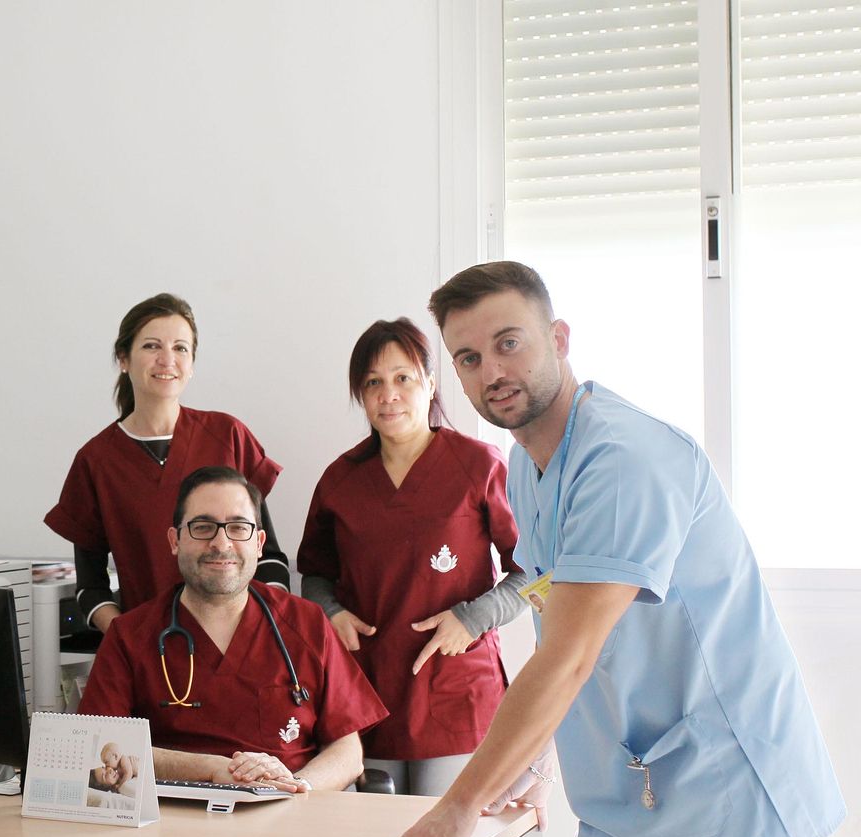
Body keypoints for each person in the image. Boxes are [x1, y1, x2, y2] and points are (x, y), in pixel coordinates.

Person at [370, 262, 845, 837]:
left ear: (559, 339)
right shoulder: (527, 466)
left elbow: (569, 658)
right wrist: (536, 760)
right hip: (624, 812)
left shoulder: (623, 459)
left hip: (733, 806)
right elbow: (560, 623)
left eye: (509, 343)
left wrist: (459, 806)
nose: (492, 372)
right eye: (469, 358)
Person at [297, 317, 528, 797]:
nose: (389, 395)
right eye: (373, 383)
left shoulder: (480, 465)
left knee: (444, 834)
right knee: (375, 836)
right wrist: (331, 613)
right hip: (367, 689)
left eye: (403, 378)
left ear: (430, 383)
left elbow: (537, 573)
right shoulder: (340, 481)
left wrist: (474, 618)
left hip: (456, 691)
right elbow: (315, 575)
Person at [79, 467, 388, 792]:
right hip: (176, 813)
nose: (221, 543)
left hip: (290, 811)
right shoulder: (130, 636)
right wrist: (212, 769)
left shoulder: (307, 624)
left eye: (238, 528)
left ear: (259, 543)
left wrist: (296, 787)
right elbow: (100, 745)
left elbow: (348, 752)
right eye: (202, 527)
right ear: (175, 541)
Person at [46, 294, 289, 634]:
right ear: (123, 359)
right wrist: (130, 640)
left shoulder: (228, 436)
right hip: (152, 647)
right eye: (151, 346)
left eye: (180, 348)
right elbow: (90, 587)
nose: (167, 359)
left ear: (192, 363)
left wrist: (263, 626)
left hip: (242, 638)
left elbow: (269, 557)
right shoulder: (96, 461)